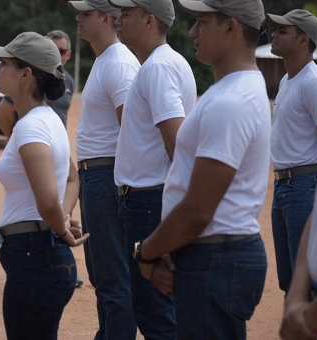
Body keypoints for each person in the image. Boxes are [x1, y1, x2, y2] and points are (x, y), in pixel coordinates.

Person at [135, 0, 270, 339]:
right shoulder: (231, 91)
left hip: (216, 257)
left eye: (203, 22)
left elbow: (198, 209)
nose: (193, 31)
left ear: (231, 27)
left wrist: (146, 252)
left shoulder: (232, 101)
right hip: (213, 253)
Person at [0, 31, 89, 339]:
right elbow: (71, 179)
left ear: (26, 74)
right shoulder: (45, 120)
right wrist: (64, 218)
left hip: (37, 259)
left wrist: (60, 228)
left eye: (4, 64)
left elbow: (46, 201)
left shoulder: (31, 127)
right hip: (37, 259)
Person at [110, 0, 197, 338]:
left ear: (149, 20)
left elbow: (176, 142)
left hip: (150, 201)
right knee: (158, 307)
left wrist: (175, 208)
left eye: (127, 13)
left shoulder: (158, 68)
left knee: (154, 311)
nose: (119, 19)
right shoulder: (166, 63)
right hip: (152, 198)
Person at [67, 1, 140, 339]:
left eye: (86, 14)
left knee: (113, 278)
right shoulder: (105, 60)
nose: (78, 19)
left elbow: (133, 129)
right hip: (96, 176)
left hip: (108, 177)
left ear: (108, 19)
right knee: (104, 276)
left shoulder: (120, 63)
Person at [266, 9, 317, 295]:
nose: (274, 33)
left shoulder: (314, 82)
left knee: (307, 282)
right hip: (285, 187)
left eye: (283, 31)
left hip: (305, 187)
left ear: (303, 40)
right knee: (289, 279)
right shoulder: (287, 81)